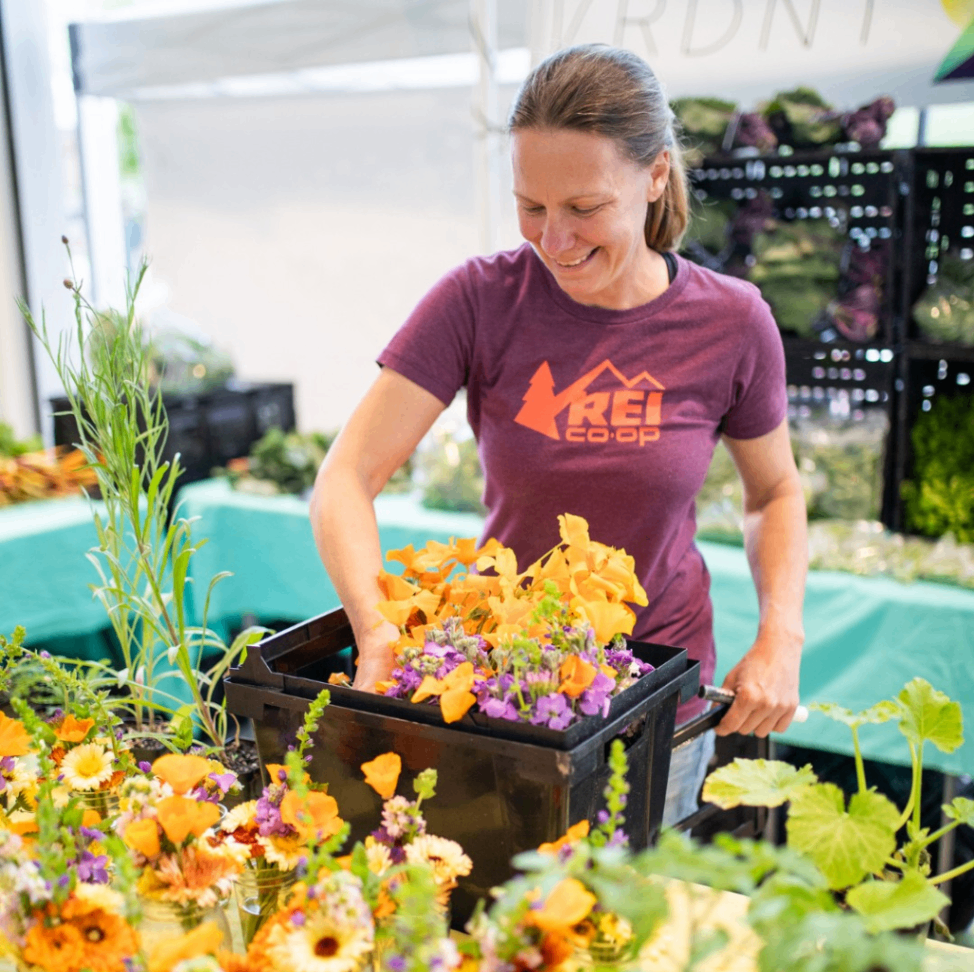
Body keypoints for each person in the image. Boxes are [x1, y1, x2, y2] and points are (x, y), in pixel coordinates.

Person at [310, 44, 807, 828]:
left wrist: (782, 632)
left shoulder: (732, 320)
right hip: (512, 707)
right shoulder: (479, 300)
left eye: (583, 208)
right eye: (531, 206)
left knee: (626, 931)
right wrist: (376, 631)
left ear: (654, 177)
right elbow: (345, 478)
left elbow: (774, 492)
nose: (555, 238)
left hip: (656, 713)